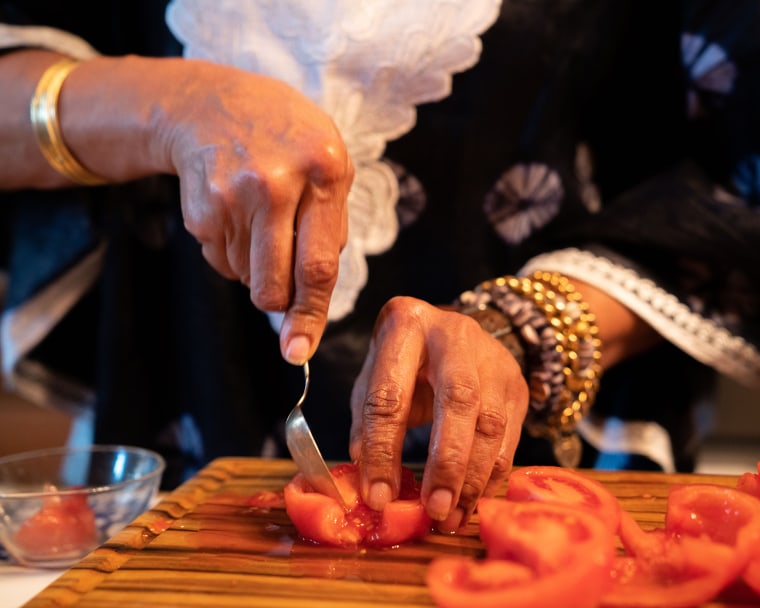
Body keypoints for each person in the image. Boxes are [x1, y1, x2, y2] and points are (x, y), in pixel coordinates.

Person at [2, 0, 759, 534]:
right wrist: (169, 103)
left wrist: (522, 325)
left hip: (555, 460)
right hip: (171, 411)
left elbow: (739, 176)